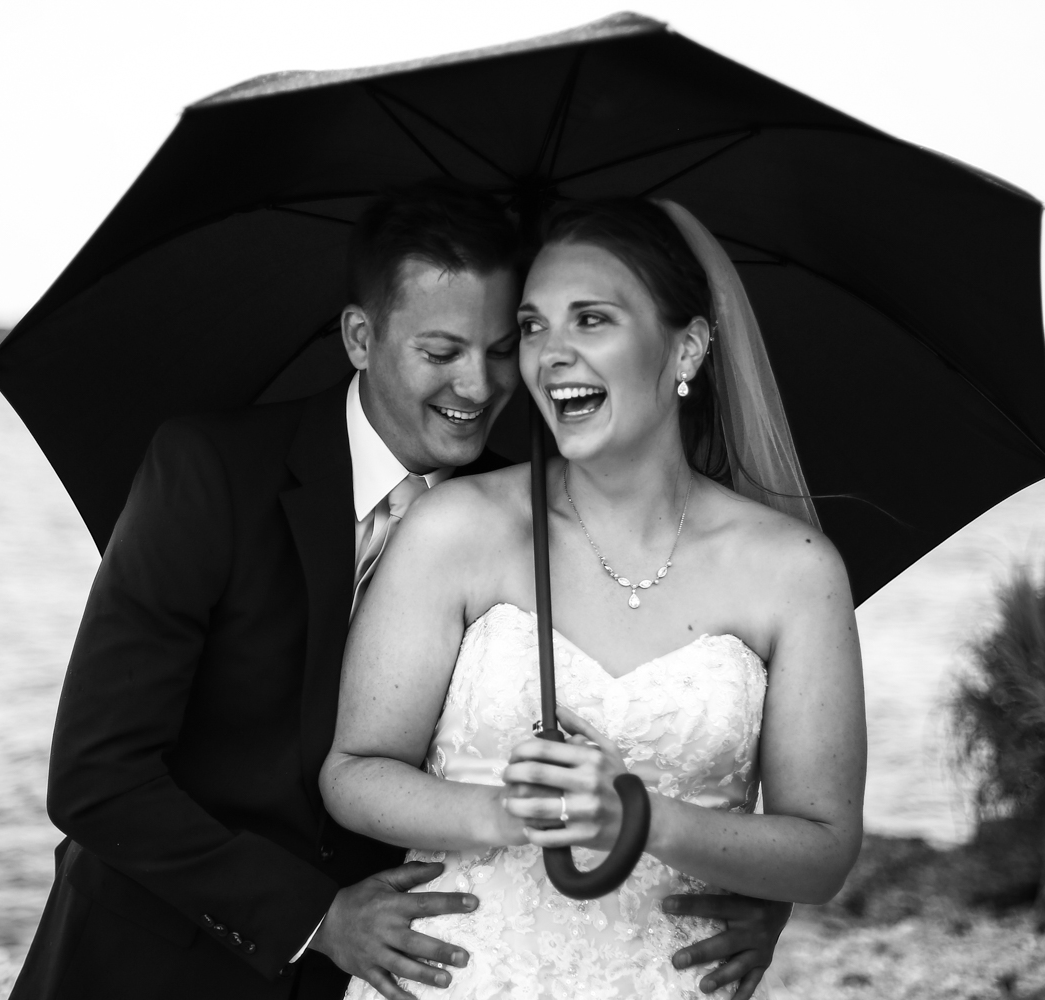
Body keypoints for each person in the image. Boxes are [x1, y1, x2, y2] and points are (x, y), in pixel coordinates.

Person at [9, 187, 793, 1000]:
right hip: (154, 959)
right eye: (441, 351)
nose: (479, 385)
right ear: (360, 336)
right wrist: (316, 919)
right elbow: (96, 778)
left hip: (396, 972)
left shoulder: (522, 515)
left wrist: (747, 900)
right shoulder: (209, 472)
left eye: (499, 348)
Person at [322, 198, 865, 999]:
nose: (550, 356)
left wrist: (644, 819)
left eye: (591, 320)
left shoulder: (795, 570)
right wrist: (501, 813)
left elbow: (821, 852)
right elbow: (353, 771)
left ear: (685, 348)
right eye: (534, 327)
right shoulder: (455, 529)